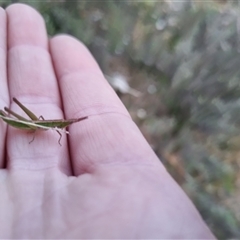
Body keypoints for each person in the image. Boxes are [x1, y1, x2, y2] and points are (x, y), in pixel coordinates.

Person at [0, 4, 215, 239]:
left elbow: (61, 130)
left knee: (40, 122)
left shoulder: (63, 128)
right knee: (31, 117)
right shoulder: (56, 128)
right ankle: (8, 115)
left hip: (40, 126)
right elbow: (51, 129)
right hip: (34, 125)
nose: (66, 127)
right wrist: (46, 129)